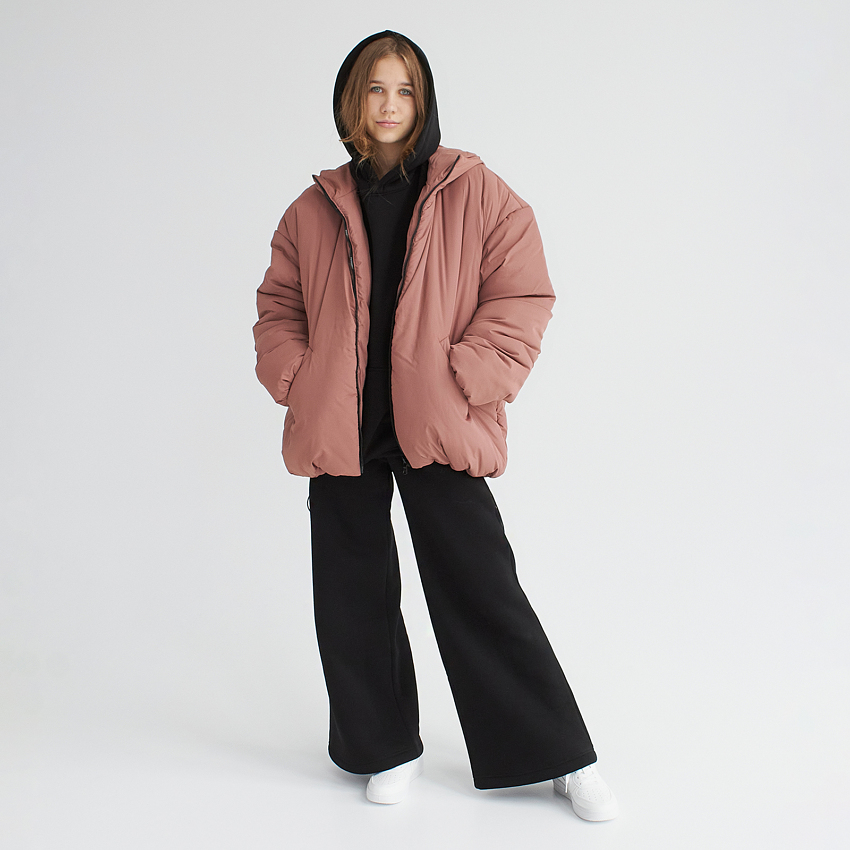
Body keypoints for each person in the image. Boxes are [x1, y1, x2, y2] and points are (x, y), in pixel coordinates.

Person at [253, 30, 618, 821]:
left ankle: (559, 755)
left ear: (424, 102)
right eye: (375, 89)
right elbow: (278, 306)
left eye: (405, 90)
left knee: (481, 587)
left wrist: (471, 375)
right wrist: (297, 379)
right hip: (343, 426)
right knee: (350, 596)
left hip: (438, 419)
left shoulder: (475, 191)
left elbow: (523, 294)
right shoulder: (311, 209)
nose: (390, 105)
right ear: (351, 103)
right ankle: (384, 748)